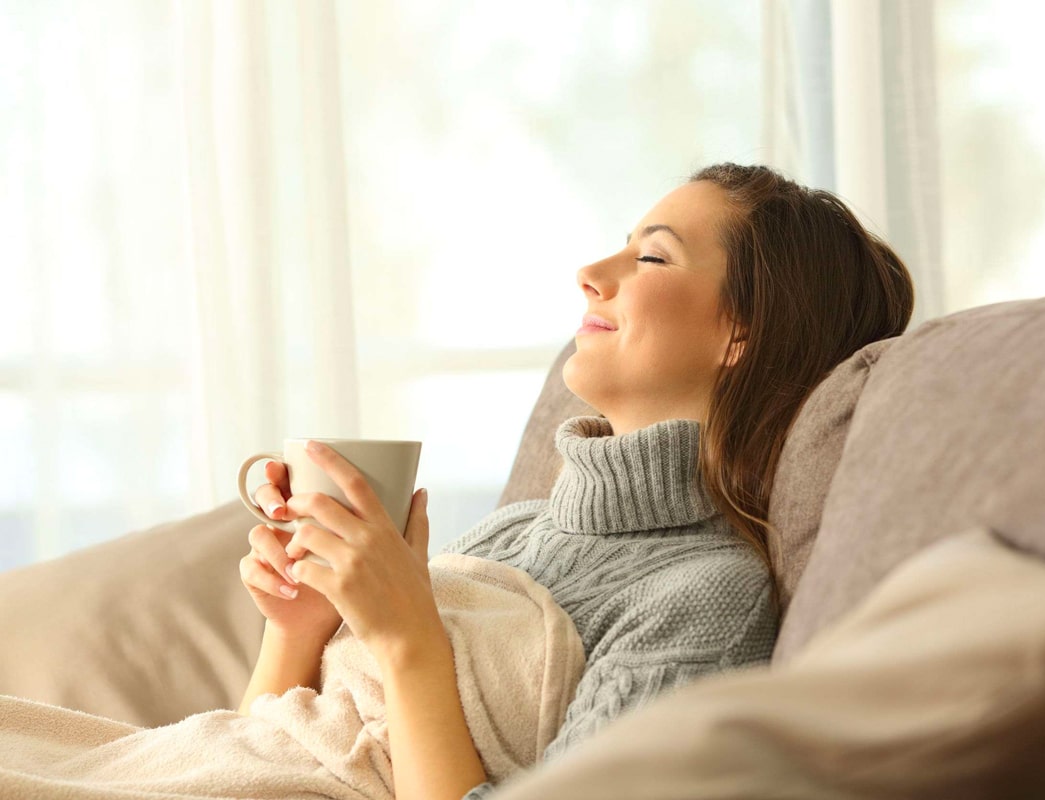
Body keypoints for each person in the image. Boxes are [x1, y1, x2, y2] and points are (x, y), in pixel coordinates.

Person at [239, 162, 916, 800]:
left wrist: (407, 639)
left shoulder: (707, 599)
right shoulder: (514, 530)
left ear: (743, 330)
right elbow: (254, 755)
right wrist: (298, 629)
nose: (589, 273)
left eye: (651, 257)